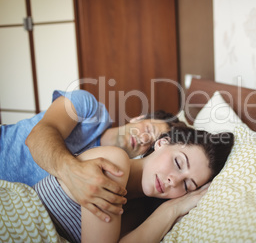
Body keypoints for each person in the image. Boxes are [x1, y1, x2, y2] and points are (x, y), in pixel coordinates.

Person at [0, 89, 185, 222]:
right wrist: (71, 171)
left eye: (151, 144)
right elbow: (37, 136)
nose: (144, 139)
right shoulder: (88, 107)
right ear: (138, 118)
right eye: (148, 129)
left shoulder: (115, 177)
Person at [34, 126, 235, 243]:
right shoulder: (115, 161)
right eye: (178, 162)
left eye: (187, 185)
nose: (173, 180)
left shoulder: (137, 211)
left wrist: (172, 209)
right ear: (162, 143)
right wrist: (170, 210)